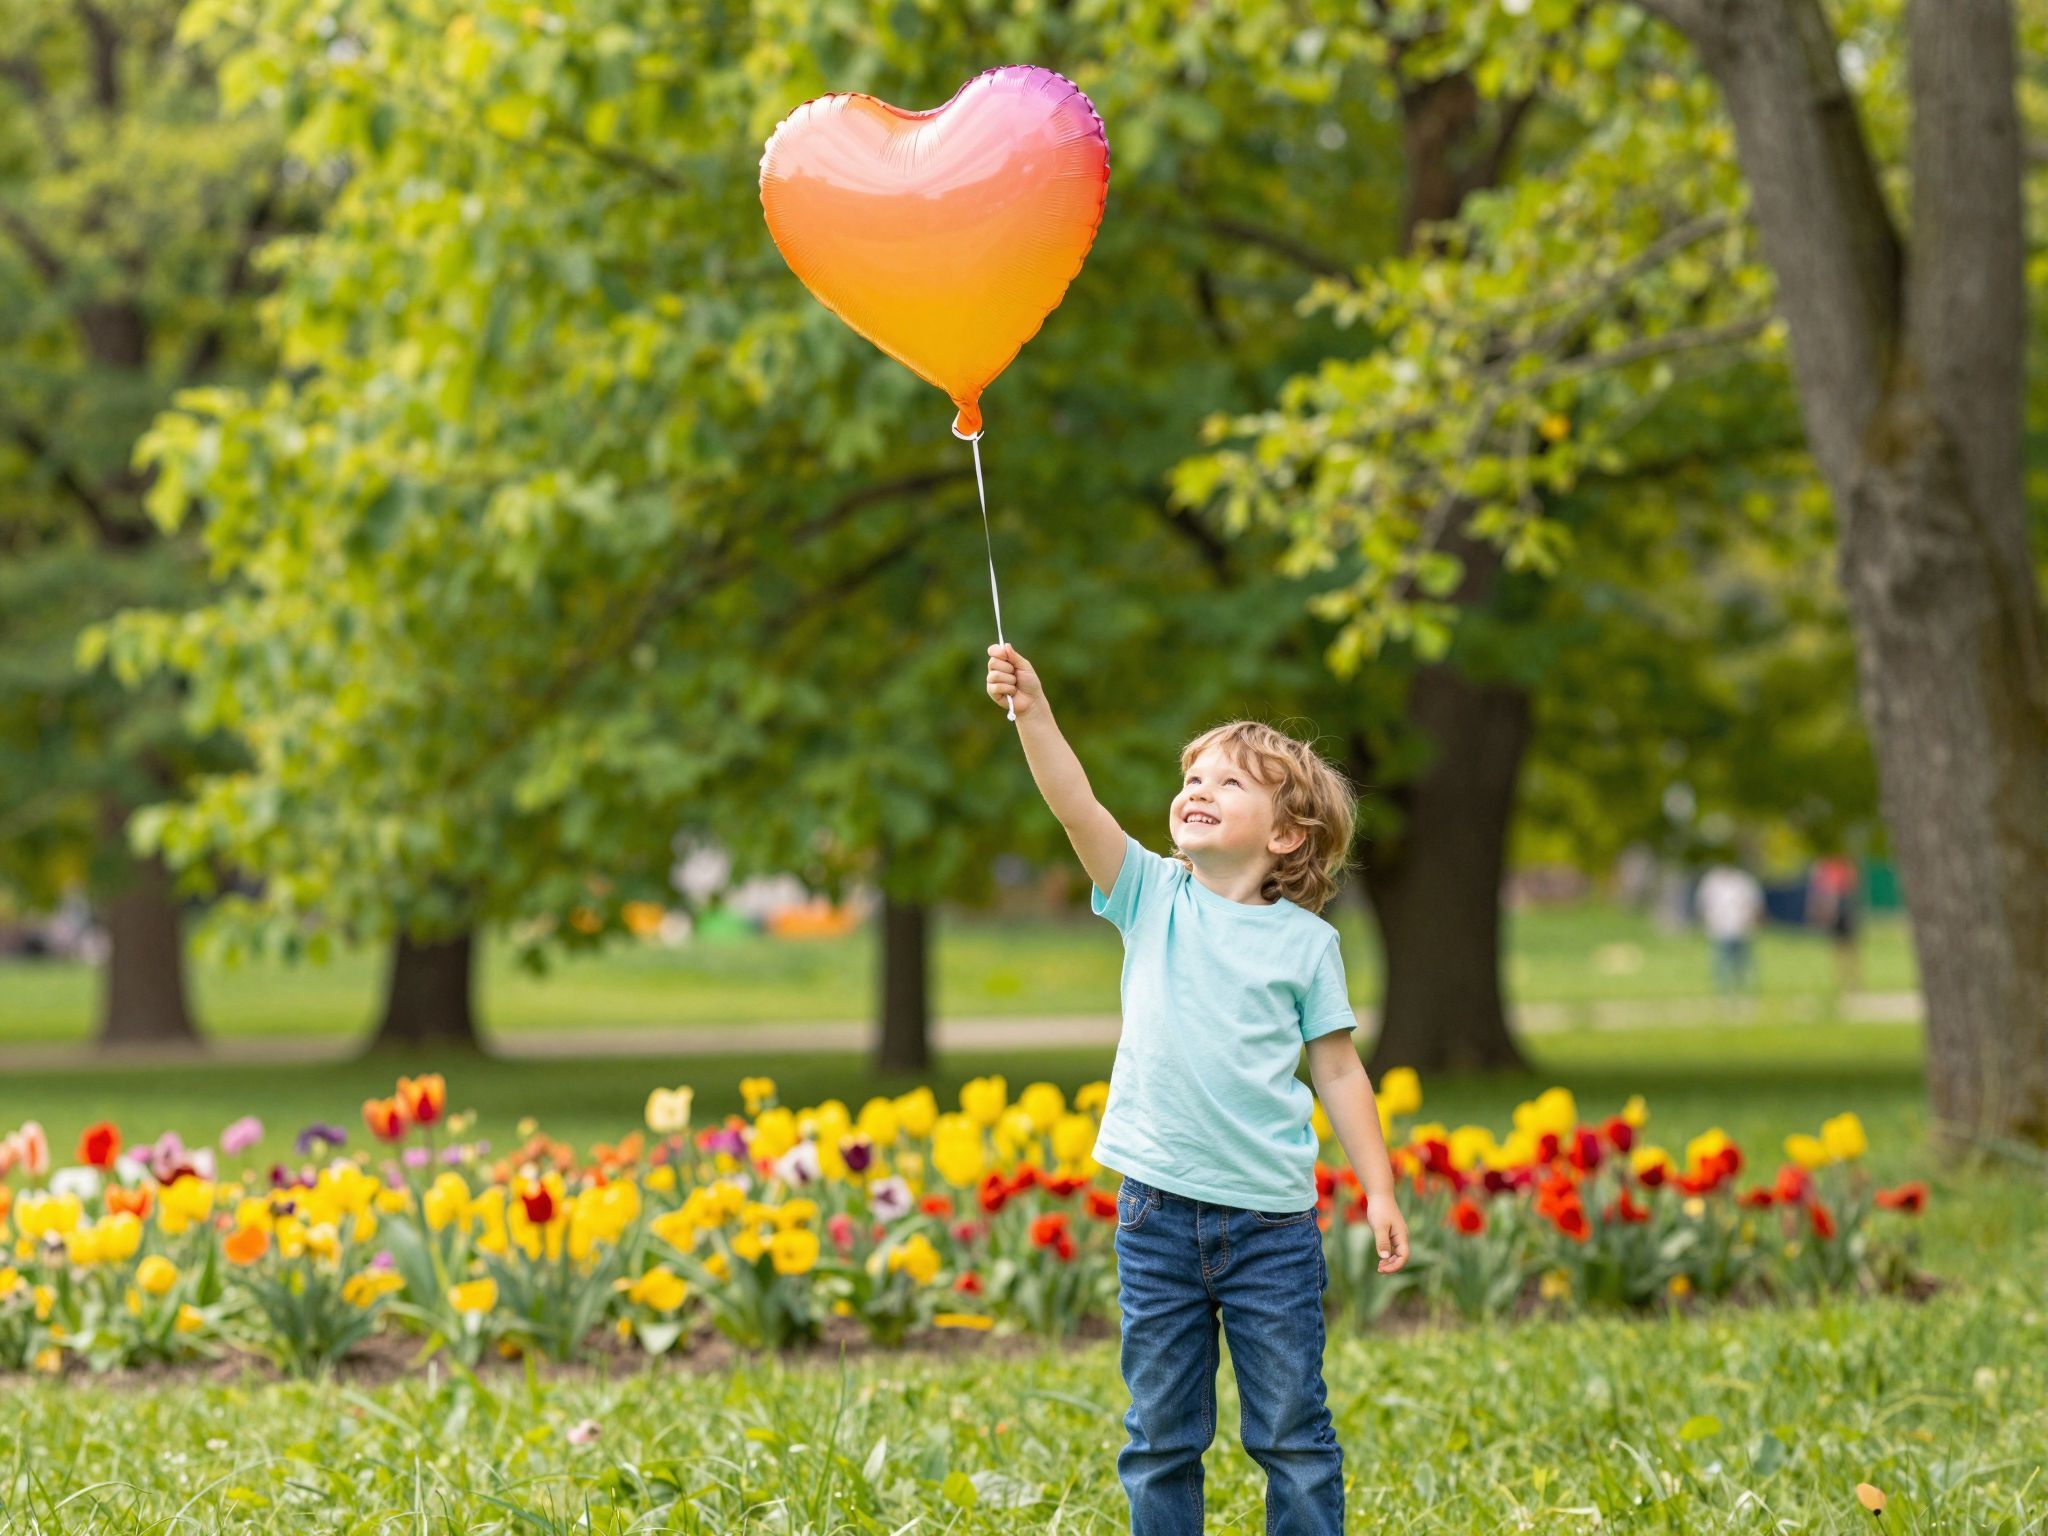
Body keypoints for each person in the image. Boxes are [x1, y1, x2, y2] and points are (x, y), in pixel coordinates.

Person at [985, 641, 1409, 1536]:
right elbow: (1075, 805)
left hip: (1271, 1229)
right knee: (1160, 1437)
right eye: (1193, 778)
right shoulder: (1150, 894)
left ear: (1285, 835)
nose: (1198, 790)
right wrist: (1035, 710)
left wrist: (1378, 1188)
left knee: (1292, 1435)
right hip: (1157, 1216)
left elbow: (1337, 1068)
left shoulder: (1307, 945)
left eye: (1229, 782)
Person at [1697, 861, 1764, 998]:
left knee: (1741, 960)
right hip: (1720, 927)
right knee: (1722, 960)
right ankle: (1723, 988)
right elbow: (1704, 904)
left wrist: (1751, 920)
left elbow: (1754, 904)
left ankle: (1742, 986)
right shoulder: (1712, 881)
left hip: (1741, 927)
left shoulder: (1743, 881)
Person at [1806, 855, 1861, 993]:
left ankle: (1851, 982)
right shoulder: (1827, 867)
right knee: (1842, 949)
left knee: (1846, 948)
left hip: (1841, 910)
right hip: (1839, 910)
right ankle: (1846, 981)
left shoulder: (1839, 867)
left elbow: (1834, 892)